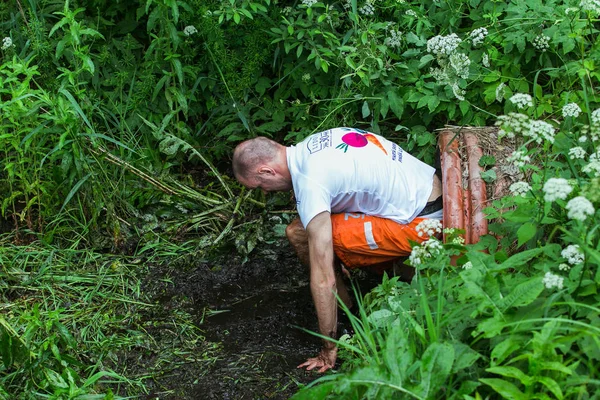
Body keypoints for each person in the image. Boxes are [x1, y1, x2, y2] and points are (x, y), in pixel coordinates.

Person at [232, 127, 443, 373]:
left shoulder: (309, 182)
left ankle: (347, 320)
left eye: (260, 186)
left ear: (266, 171)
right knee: (300, 231)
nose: (266, 192)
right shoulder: (312, 144)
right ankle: (355, 297)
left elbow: (323, 281)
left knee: (309, 239)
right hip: (428, 190)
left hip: (422, 222)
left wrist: (327, 348)